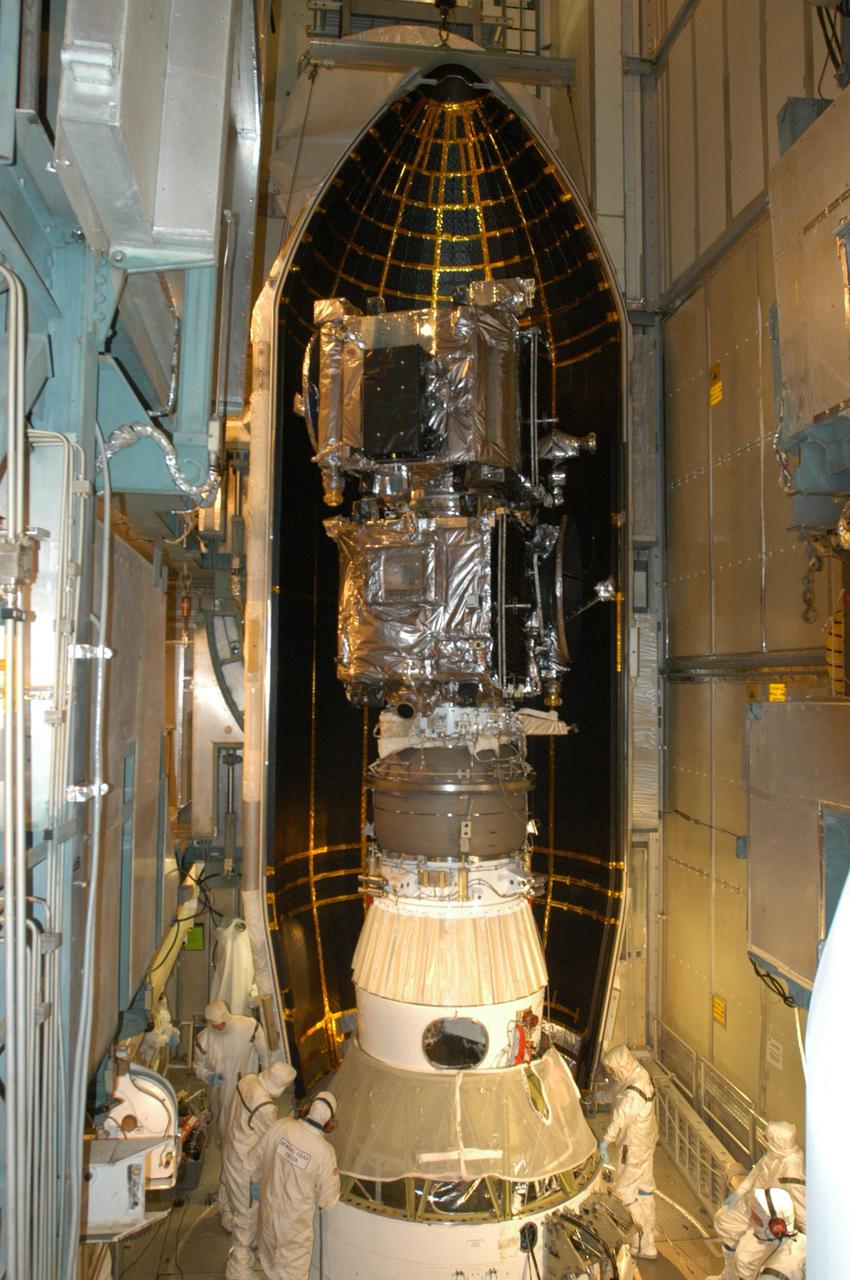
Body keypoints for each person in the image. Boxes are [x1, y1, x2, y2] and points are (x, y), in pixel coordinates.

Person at [245, 1089, 340, 1280]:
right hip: (294, 1230)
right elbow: (328, 1201)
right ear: (329, 1123)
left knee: (269, 1265)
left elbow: (251, 1161)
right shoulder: (325, 1153)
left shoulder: (281, 1126)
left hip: (268, 1216)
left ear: (307, 1109)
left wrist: (255, 1184)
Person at [193, 998, 269, 1225]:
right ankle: (228, 1202)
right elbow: (197, 1065)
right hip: (224, 1100)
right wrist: (208, 1076)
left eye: (220, 1024)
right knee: (228, 1147)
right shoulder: (205, 1040)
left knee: (249, 1146)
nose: (218, 1029)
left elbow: (263, 1053)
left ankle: (246, 1195)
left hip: (247, 1097)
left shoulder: (247, 1027)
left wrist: (264, 1076)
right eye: (214, 1026)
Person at [222, 1059, 297, 1280]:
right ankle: (239, 1269)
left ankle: (238, 1231)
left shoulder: (249, 1079)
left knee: (236, 1201)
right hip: (245, 1165)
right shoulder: (266, 1107)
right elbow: (272, 1139)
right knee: (246, 1213)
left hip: (232, 1149)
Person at [710, 1122, 806, 1280]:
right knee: (725, 1223)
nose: (765, 1140)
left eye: (768, 1138)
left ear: (777, 1140)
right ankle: (729, 1276)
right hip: (757, 1207)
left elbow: (802, 1210)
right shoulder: (774, 1155)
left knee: (746, 1258)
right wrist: (738, 1195)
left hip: (770, 1224)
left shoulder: (793, 1172)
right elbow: (755, 1175)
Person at [598, 1043, 658, 1260]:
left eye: (611, 1069)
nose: (611, 1073)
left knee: (625, 1192)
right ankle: (648, 1239)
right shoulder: (637, 1075)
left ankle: (640, 1241)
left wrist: (605, 1142)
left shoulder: (633, 1092)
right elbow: (617, 1091)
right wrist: (598, 1097)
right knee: (644, 1190)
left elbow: (619, 1118)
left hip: (632, 1148)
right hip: (645, 1144)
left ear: (619, 1065)